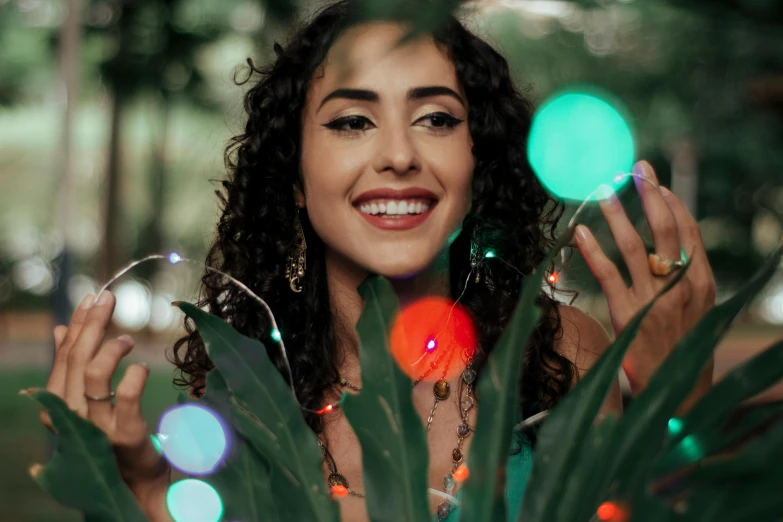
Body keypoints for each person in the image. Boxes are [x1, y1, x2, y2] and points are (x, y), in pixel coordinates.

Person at [39, 1, 716, 521]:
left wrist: (676, 403)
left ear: (477, 165)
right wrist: (144, 492)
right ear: (296, 178)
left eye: (436, 119)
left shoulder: (565, 358)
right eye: (351, 122)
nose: (397, 155)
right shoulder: (242, 404)